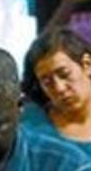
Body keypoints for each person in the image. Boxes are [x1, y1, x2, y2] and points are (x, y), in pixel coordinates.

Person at [22, 28, 91, 156]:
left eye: (64, 74)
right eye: (47, 82)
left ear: (87, 64)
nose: (59, 88)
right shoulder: (30, 128)